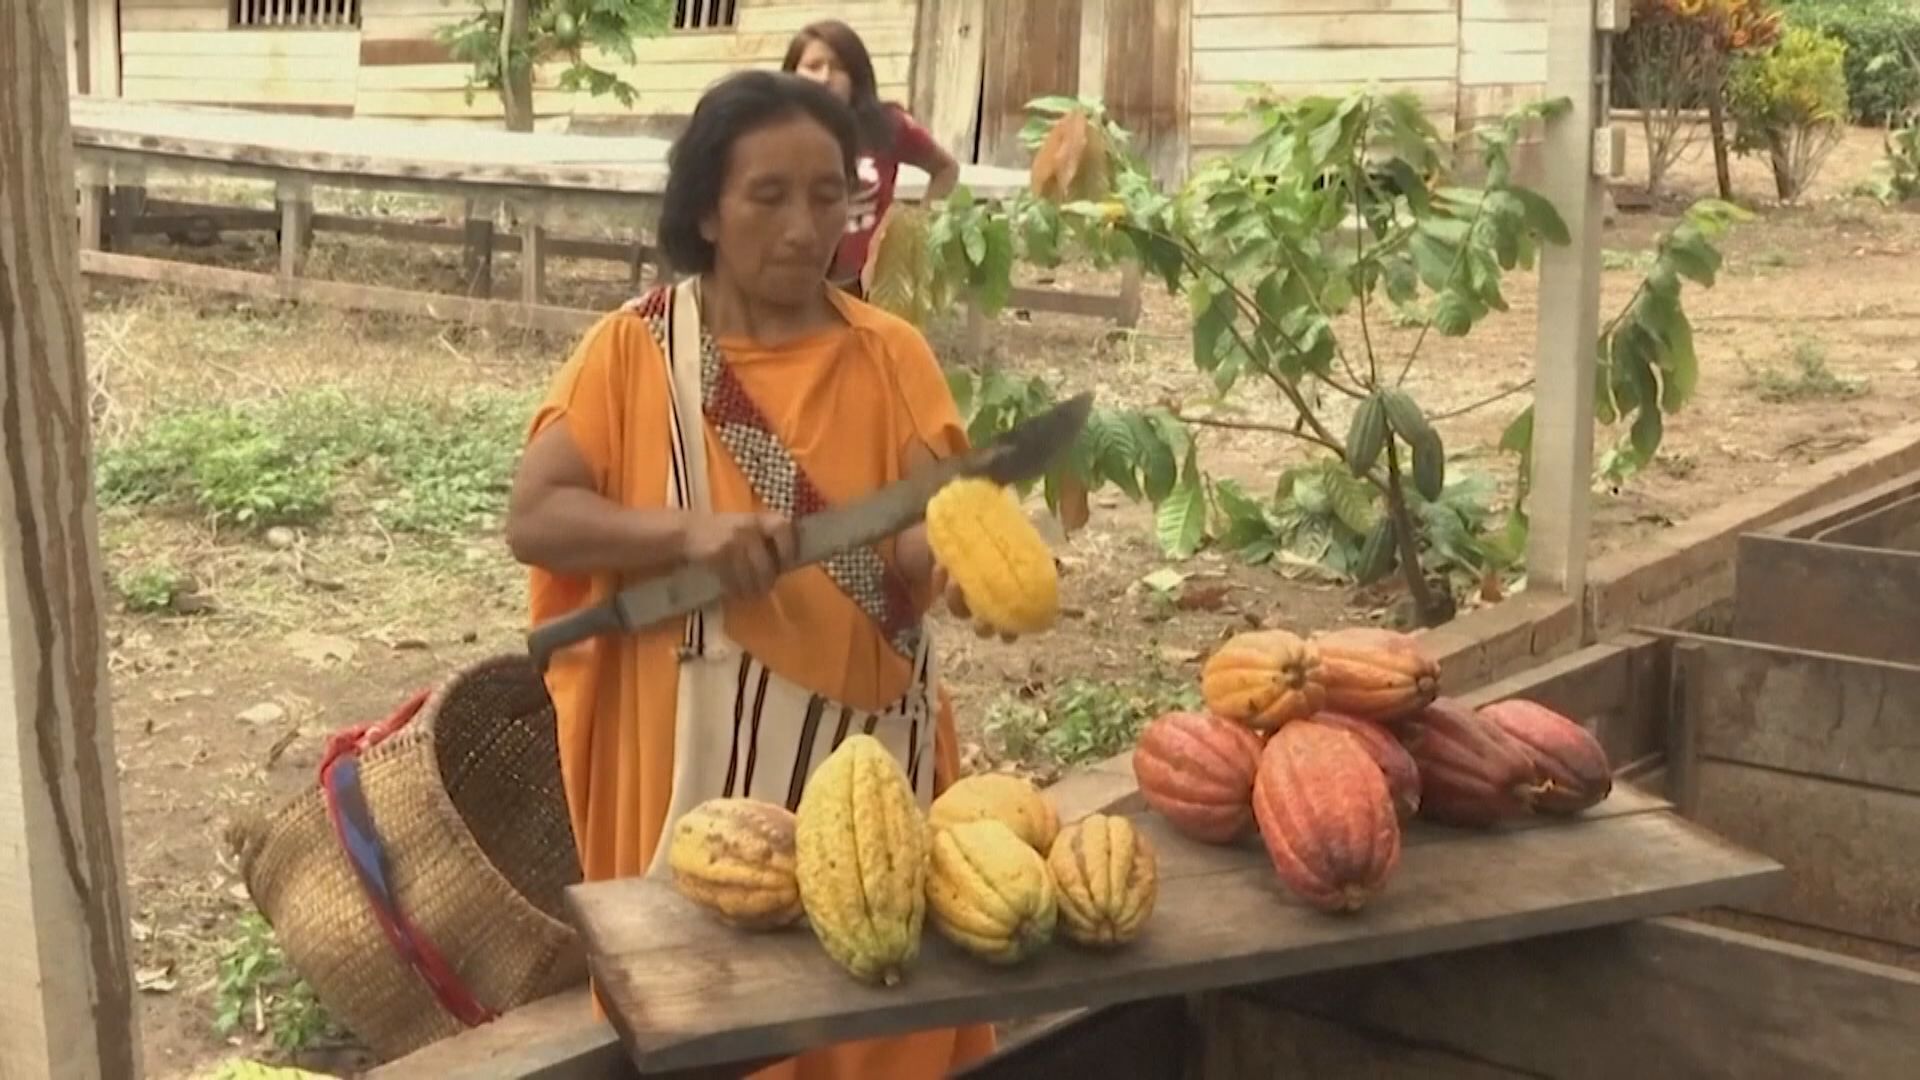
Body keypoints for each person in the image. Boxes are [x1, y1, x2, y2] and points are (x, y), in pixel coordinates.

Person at [505, 70, 1000, 1079]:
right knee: (705, 1013)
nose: (804, 225)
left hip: (867, 752)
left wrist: (954, 558)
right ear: (706, 209)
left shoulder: (891, 355)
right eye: (767, 196)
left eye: (828, 195)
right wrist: (687, 535)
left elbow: (915, 535)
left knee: (872, 1016)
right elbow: (539, 517)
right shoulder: (633, 353)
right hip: (686, 765)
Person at [782, 19, 961, 296]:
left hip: (869, 287)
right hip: (792, 282)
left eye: (839, 67)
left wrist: (917, 227)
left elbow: (946, 169)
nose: (826, 76)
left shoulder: (889, 125)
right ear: (792, 73)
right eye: (813, 66)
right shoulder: (770, 132)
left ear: (857, 76)